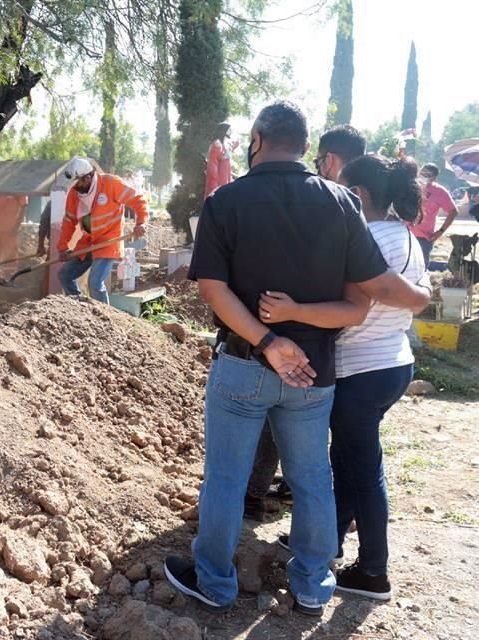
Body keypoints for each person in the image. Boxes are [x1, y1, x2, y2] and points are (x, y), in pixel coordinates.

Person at [162, 101, 432, 617]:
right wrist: (417, 298)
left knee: (226, 477)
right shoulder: (342, 204)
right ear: (307, 147)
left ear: (257, 139)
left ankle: (215, 582)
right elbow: (358, 307)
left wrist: (267, 341)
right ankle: (312, 585)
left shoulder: (227, 201)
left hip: (244, 364)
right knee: (313, 479)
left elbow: (214, 290)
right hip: (314, 372)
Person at [260, 155, 429, 601]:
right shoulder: (404, 236)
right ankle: (328, 541)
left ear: (358, 196)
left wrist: (293, 311)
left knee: (363, 470)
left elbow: (352, 303)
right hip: (393, 362)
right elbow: (413, 296)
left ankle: (374, 571)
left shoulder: (367, 236)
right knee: (351, 463)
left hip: (362, 369)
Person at [245, 123, 369, 521]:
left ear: (330, 160)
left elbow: (360, 303)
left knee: (295, 445)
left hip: (308, 354)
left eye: (320, 161)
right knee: (317, 461)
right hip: (329, 357)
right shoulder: (348, 205)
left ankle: (258, 496)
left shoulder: (337, 204)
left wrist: (284, 321)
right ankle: (317, 562)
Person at [57, 157, 147, 304]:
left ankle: (105, 319)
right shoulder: (74, 194)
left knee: (95, 282)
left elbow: (138, 200)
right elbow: (69, 221)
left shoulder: (111, 184)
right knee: (64, 275)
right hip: (88, 242)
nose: (75, 187)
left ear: (87, 177)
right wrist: (62, 247)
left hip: (108, 241)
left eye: (78, 182)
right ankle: (80, 308)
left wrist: (141, 222)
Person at [410, 163, 458, 263]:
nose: (422, 176)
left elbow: (453, 211)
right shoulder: (411, 186)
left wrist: (441, 231)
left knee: (421, 267)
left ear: (434, 178)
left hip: (423, 238)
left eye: (427, 175)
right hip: (405, 233)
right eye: (421, 173)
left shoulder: (440, 192)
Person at [0, 195, 27, 274]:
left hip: (10, 228)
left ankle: (10, 273)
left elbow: (23, 207)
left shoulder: (18, 189)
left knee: (10, 251)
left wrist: (17, 226)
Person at [204, 123, 240, 199]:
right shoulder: (217, 144)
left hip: (226, 175)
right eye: (229, 129)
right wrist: (214, 185)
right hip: (220, 176)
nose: (231, 131)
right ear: (224, 130)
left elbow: (229, 149)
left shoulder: (224, 142)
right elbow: (213, 166)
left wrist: (236, 144)